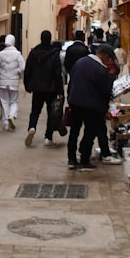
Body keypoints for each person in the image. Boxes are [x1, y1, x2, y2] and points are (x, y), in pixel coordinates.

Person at [66, 43, 116, 171]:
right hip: (91, 106)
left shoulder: (80, 62)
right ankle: (84, 161)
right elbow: (105, 92)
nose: (108, 61)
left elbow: (71, 82)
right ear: (104, 55)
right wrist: (105, 109)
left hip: (75, 102)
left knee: (74, 131)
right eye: (109, 58)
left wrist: (70, 100)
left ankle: (71, 159)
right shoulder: (100, 70)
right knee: (89, 132)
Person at [23, 30, 65, 147]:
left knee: (35, 111)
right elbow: (57, 74)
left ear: (41, 38)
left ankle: (32, 127)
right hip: (51, 89)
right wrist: (60, 91)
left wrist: (27, 85)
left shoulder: (33, 53)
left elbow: (28, 70)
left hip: (37, 88)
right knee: (51, 113)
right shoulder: (54, 53)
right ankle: (48, 137)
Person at [0, 34, 25, 130]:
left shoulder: (1, 54)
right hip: (14, 81)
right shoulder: (18, 54)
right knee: (14, 101)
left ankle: (6, 123)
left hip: (3, 81)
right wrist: (17, 73)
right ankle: (12, 115)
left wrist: (0, 74)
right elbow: (22, 67)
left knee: (4, 101)